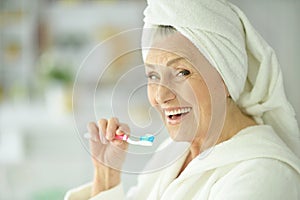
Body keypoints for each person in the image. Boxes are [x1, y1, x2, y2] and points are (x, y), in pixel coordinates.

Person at [65, 0, 300, 199]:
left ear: (226, 78)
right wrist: (106, 177)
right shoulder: (174, 152)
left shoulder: (264, 177)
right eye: (153, 75)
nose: (160, 95)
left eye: (182, 73)